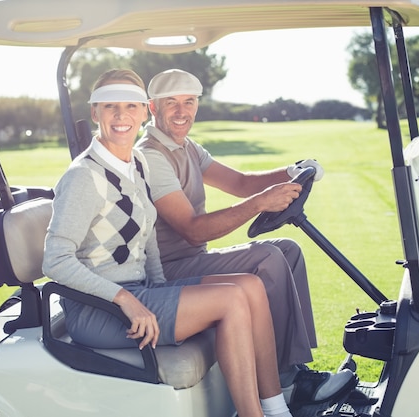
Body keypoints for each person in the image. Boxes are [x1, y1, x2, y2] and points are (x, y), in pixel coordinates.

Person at [43, 69, 292, 417]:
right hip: (99, 309)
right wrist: (127, 300)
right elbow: (55, 260)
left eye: (130, 106)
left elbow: (149, 241)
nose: (121, 116)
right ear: (96, 114)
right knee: (233, 297)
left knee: (250, 286)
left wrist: (161, 290)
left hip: (140, 292)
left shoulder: (137, 165)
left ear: (144, 112)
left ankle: (277, 407)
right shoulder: (84, 176)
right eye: (110, 107)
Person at [135, 69, 357, 408]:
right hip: (167, 273)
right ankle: (284, 383)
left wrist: (291, 171)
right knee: (268, 257)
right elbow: (193, 229)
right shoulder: (151, 154)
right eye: (172, 103)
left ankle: (293, 371)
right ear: (153, 107)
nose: (182, 112)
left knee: (287, 250)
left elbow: (238, 182)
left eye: (189, 102)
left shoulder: (187, 147)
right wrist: (260, 204)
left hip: (190, 260)